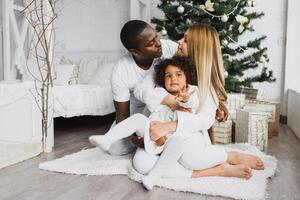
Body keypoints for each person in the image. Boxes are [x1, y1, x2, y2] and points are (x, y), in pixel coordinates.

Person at [132, 23, 265, 190]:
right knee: (141, 164)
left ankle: (229, 157)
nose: (179, 42)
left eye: (186, 40)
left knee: (190, 159)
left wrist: (170, 126)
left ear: (198, 48)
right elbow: (140, 90)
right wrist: (169, 101)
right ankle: (216, 170)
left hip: (186, 136)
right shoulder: (168, 65)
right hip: (158, 131)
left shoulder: (207, 83)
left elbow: (204, 119)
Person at [89, 56, 198, 155]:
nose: (173, 78)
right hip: (155, 136)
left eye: (178, 75)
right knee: (138, 118)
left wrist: (185, 99)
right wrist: (149, 130)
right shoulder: (159, 92)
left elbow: (193, 104)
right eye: (168, 76)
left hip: (177, 138)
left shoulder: (192, 90)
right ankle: (107, 139)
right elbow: (154, 115)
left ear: (187, 77)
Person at [105, 20, 178, 155]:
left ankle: (159, 141)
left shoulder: (169, 48)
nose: (158, 43)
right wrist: (134, 135)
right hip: (137, 111)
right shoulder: (121, 70)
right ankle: (151, 142)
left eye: (156, 36)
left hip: (165, 107)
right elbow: (122, 115)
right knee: (114, 148)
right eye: (151, 44)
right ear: (135, 51)